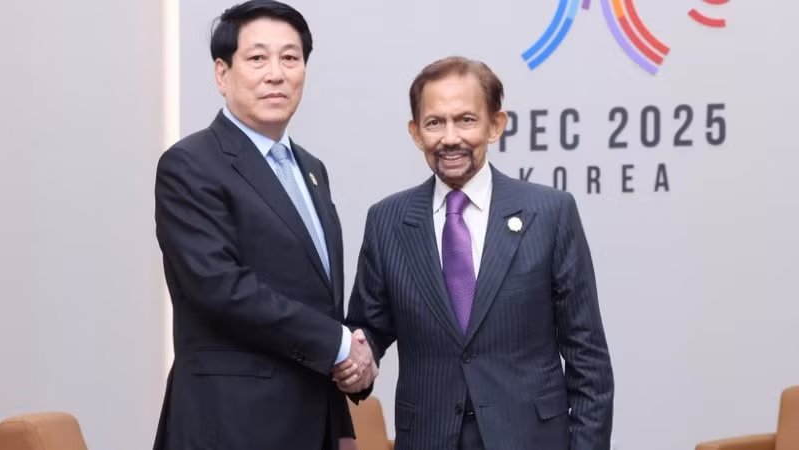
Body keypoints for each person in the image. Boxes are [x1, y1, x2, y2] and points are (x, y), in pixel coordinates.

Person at [338, 56, 614, 450]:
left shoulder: (550, 214)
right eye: (435, 123)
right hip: (429, 438)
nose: (450, 137)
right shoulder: (388, 221)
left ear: (495, 125)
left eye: (466, 120)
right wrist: (354, 361)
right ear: (416, 133)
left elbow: (588, 359)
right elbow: (370, 329)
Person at [152, 1, 374, 449]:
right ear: (222, 73)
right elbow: (220, 287)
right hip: (231, 424)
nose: (276, 73)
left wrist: (341, 422)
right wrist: (339, 344)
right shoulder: (190, 165)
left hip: (313, 427)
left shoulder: (311, 169)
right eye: (257, 58)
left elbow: (318, 303)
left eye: (290, 58)